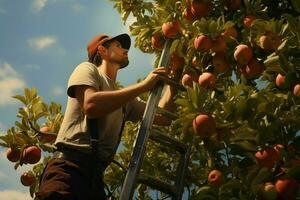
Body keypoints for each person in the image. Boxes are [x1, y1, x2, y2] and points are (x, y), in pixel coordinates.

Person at [35, 33, 177, 200]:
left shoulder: (125, 99)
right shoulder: (88, 69)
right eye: (118, 45)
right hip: (68, 170)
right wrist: (144, 86)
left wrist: (176, 75)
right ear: (102, 50)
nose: (125, 50)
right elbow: (91, 105)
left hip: (94, 180)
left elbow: (163, 117)